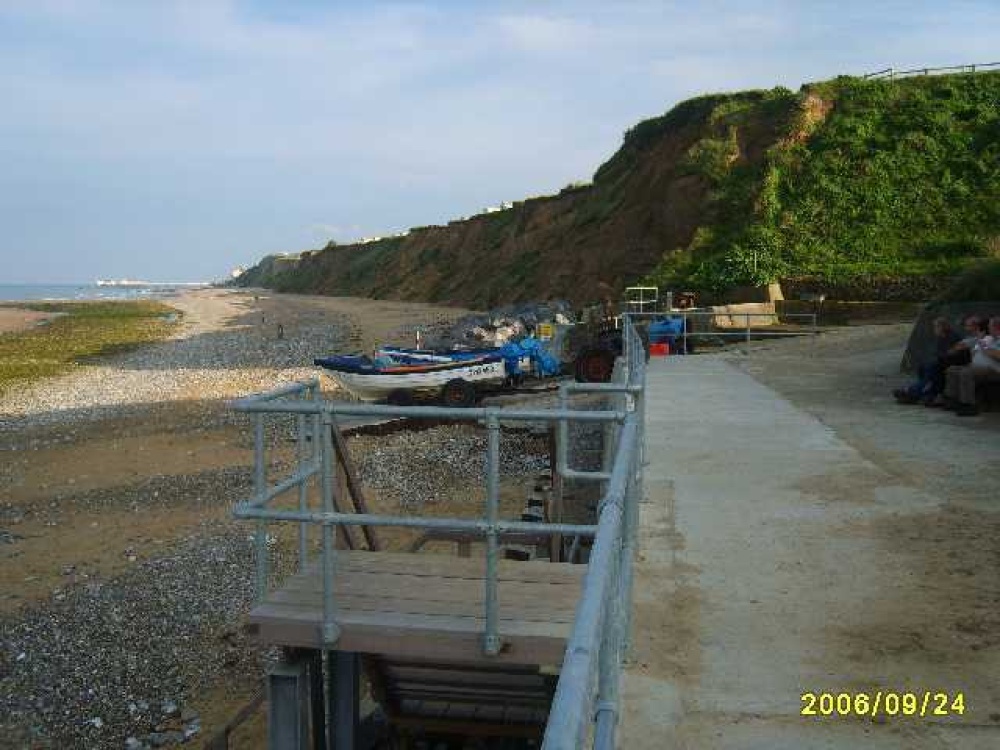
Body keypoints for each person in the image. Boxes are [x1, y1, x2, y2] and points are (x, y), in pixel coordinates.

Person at [893, 316, 963, 404]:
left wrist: (941, 356)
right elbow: (941, 353)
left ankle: (912, 392)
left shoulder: (953, 337)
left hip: (952, 363)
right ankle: (920, 391)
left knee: (931, 369)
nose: (934, 329)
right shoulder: (941, 337)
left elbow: (951, 354)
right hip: (943, 361)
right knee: (923, 367)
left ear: (941, 327)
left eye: (935, 327)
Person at [942, 316, 1000, 416]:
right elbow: (973, 351)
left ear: (997, 327)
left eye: (990, 325)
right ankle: (952, 400)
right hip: (978, 367)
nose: (988, 327)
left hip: (994, 370)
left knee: (966, 372)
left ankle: (968, 404)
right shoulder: (988, 338)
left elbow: (997, 355)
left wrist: (985, 347)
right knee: (952, 370)